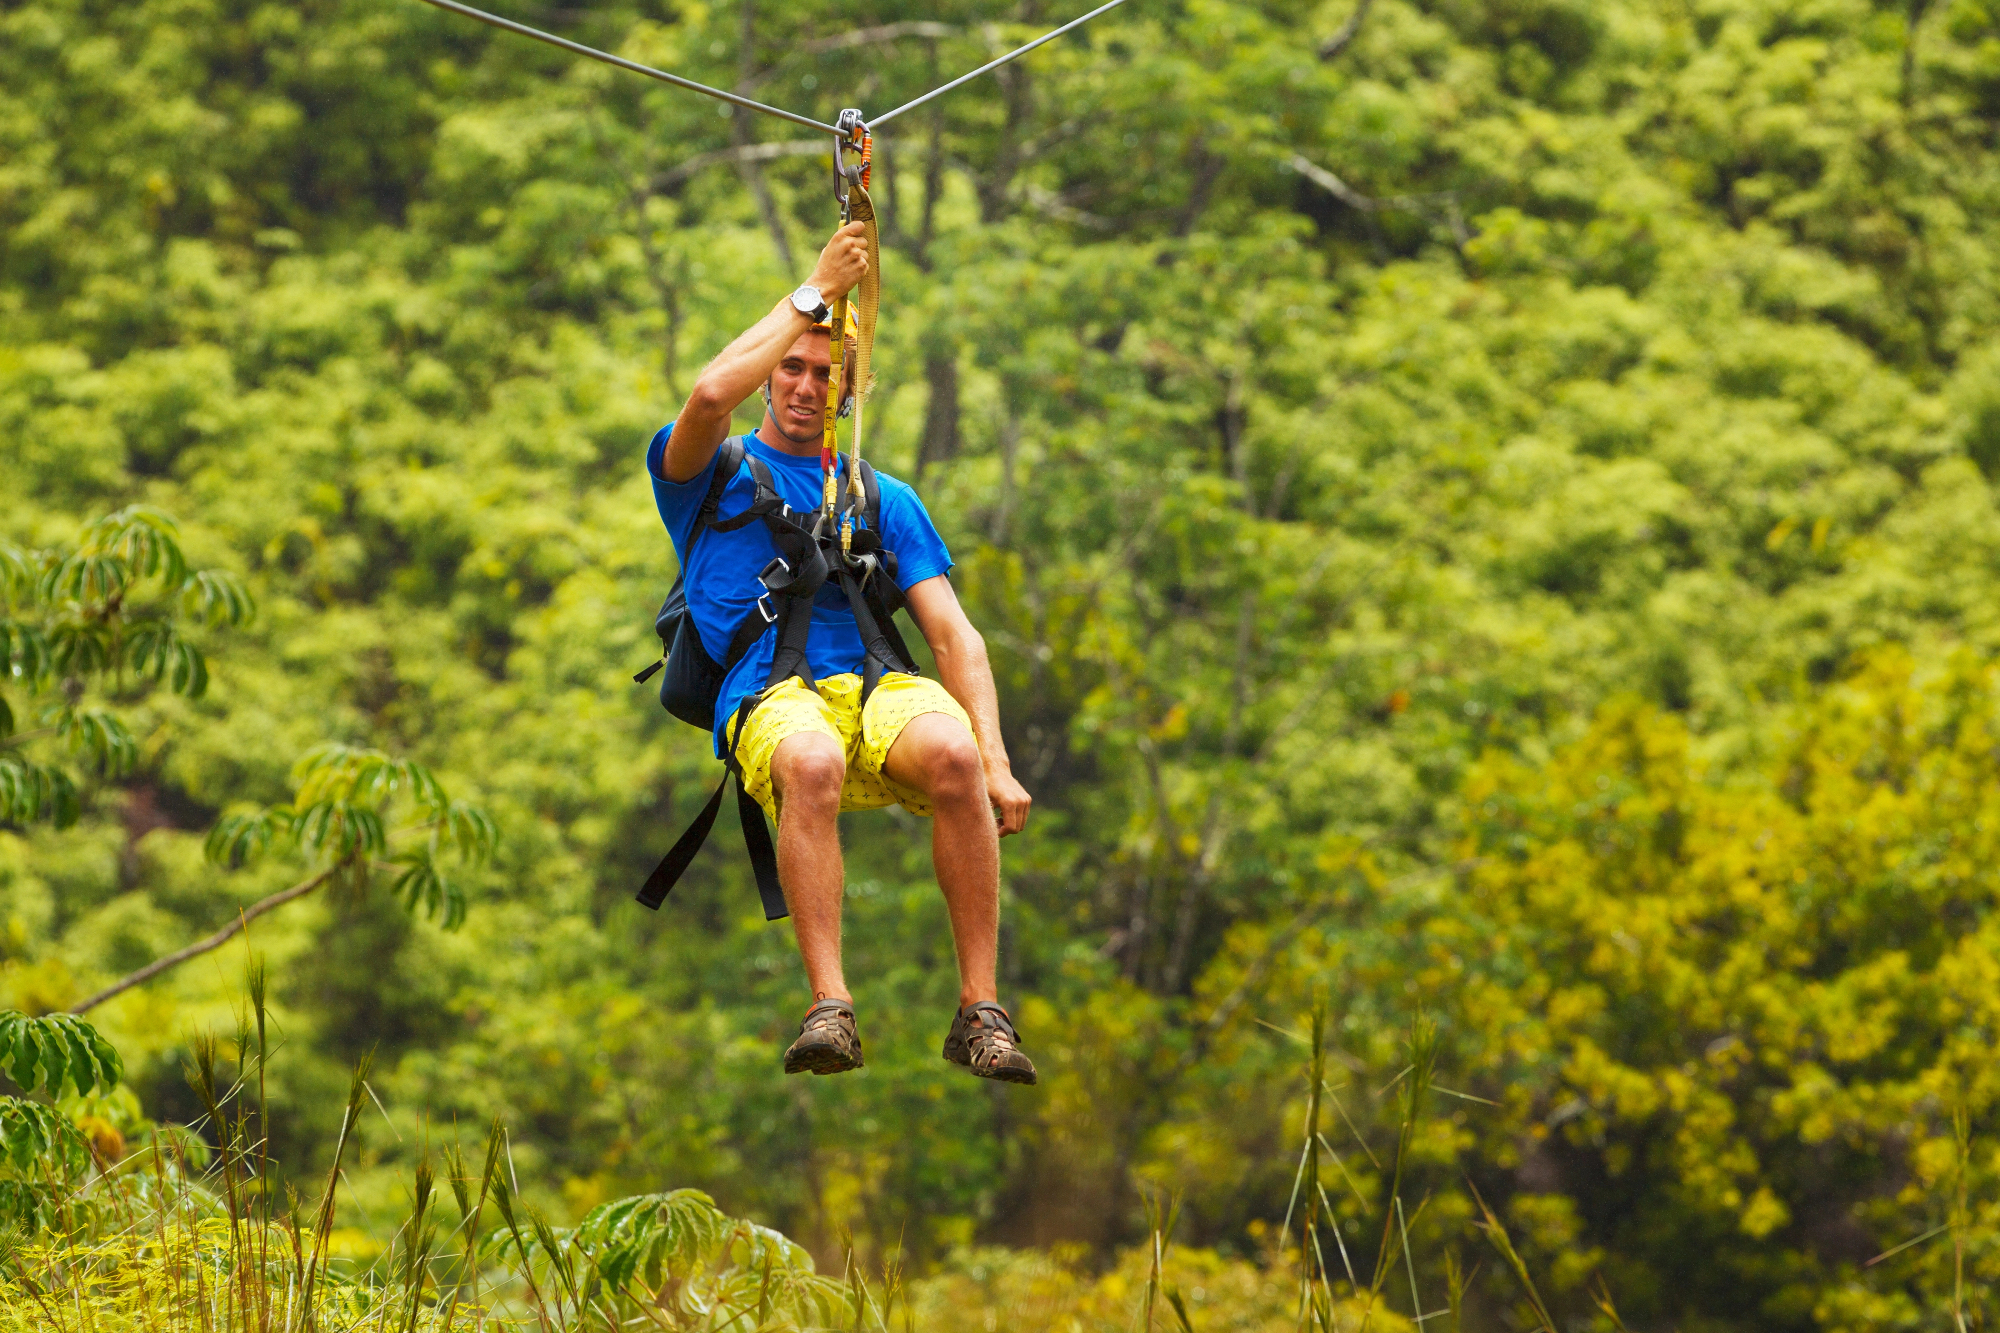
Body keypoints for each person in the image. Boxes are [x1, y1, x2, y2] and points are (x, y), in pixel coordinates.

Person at [647, 222, 1037, 1085]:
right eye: (793, 366)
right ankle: (831, 1006)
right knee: (813, 761)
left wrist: (997, 759)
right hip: (769, 693)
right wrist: (817, 291)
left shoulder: (878, 495)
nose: (805, 385)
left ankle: (982, 1009)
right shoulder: (708, 475)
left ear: (847, 394)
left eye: (827, 375)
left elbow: (952, 633)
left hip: (872, 683)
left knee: (954, 753)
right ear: (772, 371)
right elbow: (709, 394)